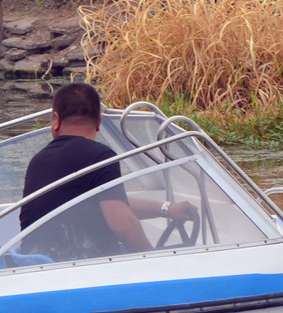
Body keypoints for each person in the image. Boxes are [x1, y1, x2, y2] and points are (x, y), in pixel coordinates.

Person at [19, 83, 194, 258]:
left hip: (40, 264)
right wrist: (153, 259)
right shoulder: (99, 157)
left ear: (56, 120)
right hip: (81, 267)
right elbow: (122, 225)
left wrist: (167, 209)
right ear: (99, 122)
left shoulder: (38, 160)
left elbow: (113, 202)